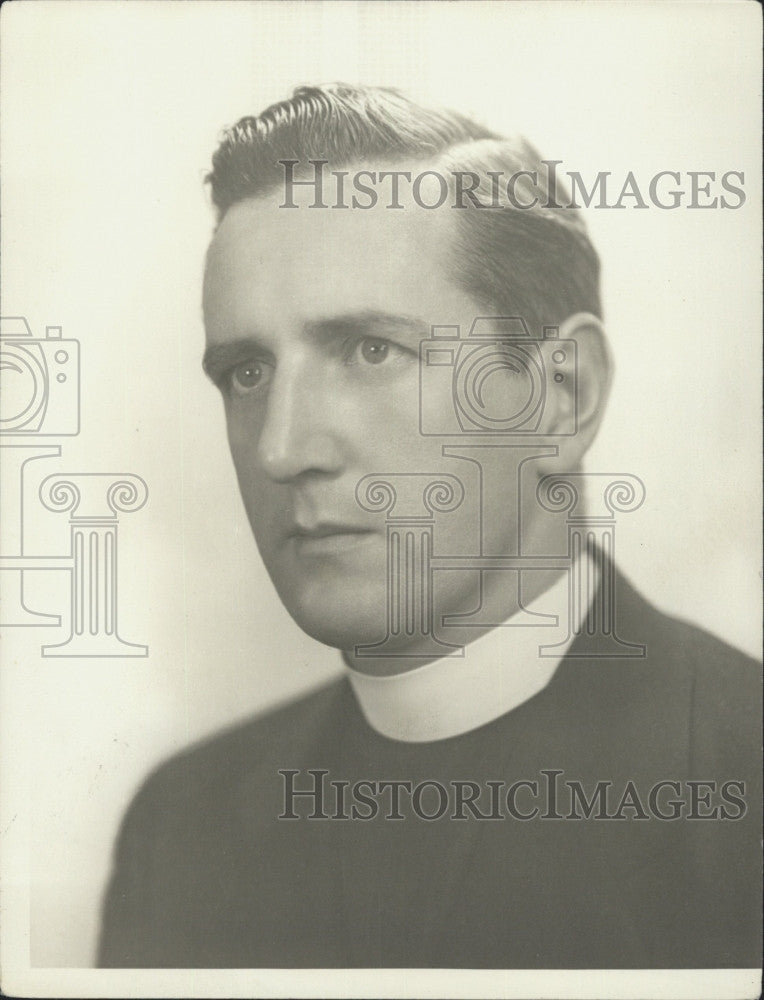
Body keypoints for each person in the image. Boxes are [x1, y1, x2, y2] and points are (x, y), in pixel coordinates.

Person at [97, 84, 761, 969]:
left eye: (373, 351)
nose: (284, 450)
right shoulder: (182, 827)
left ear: (564, 395)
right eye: (247, 372)